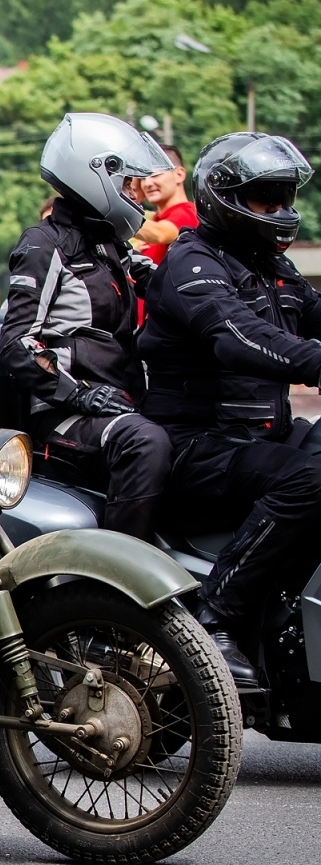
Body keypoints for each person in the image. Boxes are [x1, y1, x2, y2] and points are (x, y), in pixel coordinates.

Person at [139, 132, 321, 685]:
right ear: (225, 198)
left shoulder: (273, 267)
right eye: (266, 198)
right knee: (315, 479)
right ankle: (217, 614)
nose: (280, 211)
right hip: (198, 445)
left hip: (259, 439)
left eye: (284, 198)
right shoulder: (193, 263)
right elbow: (235, 336)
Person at [0, 113, 176, 543]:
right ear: (97, 173)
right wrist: (80, 394)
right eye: (127, 183)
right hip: (64, 415)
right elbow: (18, 344)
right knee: (145, 443)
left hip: (121, 400)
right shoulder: (45, 245)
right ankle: (120, 577)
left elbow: (171, 289)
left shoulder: (110, 245)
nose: (134, 193)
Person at [137, 144, 198, 265]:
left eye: (155, 175)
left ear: (179, 174)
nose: (147, 183)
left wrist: (112, 214)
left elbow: (160, 234)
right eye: (143, 178)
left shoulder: (188, 213)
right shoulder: (155, 221)